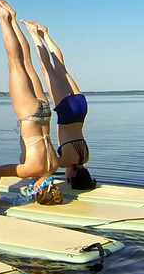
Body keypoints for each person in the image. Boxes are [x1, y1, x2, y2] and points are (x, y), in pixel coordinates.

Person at [0, 0, 62, 206]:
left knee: (26, 61)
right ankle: (3, 19)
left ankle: (12, 19)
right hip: (29, 114)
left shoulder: (54, 166)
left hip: (45, 112)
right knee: (15, 62)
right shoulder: (31, 170)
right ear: (39, 190)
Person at [23, 19, 96, 190]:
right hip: (67, 112)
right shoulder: (65, 162)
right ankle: (34, 34)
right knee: (46, 67)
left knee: (61, 68)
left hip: (80, 108)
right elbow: (46, 167)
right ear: (72, 178)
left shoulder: (85, 157)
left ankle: (46, 35)